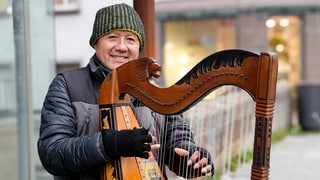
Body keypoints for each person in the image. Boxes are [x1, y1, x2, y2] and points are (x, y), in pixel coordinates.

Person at [38, 3, 214, 180]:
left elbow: (177, 143)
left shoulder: (156, 95)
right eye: (112, 37)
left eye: (130, 39)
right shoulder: (67, 85)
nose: (122, 47)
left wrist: (192, 159)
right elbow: (52, 153)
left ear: (138, 47)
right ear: (95, 43)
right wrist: (111, 144)